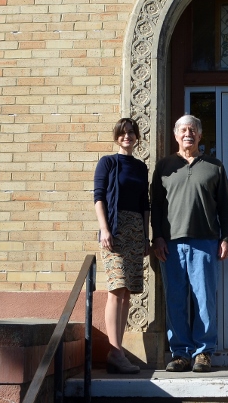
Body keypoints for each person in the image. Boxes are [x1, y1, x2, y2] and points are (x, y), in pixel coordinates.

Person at [151, 114, 228, 373]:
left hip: (205, 241)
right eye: (183, 129)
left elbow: (226, 208)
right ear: (176, 135)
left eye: (193, 130)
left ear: (199, 135)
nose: (188, 133)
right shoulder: (164, 167)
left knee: (204, 298)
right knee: (175, 299)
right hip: (171, 244)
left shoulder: (214, 166)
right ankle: (180, 353)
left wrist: (227, 238)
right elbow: (156, 208)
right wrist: (158, 237)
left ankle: (204, 353)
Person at [94, 117, 150, 375]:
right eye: (123, 133)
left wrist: (146, 237)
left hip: (136, 230)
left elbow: (144, 204)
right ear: (116, 136)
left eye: (131, 132)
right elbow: (99, 197)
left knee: (128, 291)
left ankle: (117, 352)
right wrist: (105, 229)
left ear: (137, 137)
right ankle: (115, 351)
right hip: (115, 231)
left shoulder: (140, 167)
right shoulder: (108, 162)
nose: (127, 136)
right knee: (116, 289)